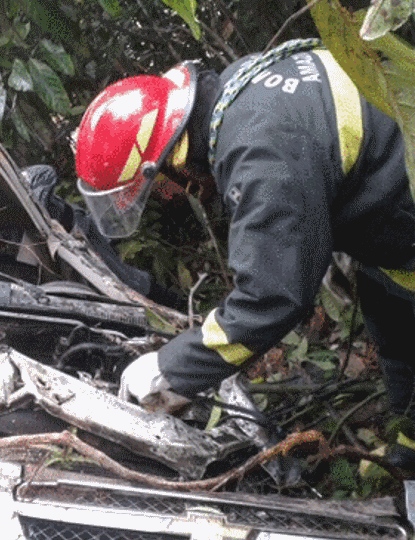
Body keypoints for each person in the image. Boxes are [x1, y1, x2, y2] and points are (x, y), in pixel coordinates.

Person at [70, 39, 415, 468]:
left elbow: (270, 299)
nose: (172, 199)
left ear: (171, 161)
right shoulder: (241, 90)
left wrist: (171, 369)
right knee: (396, 337)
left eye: (160, 191)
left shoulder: (257, 153)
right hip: (395, 229)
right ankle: (408, 456)